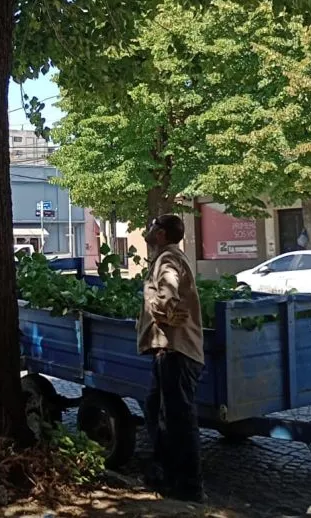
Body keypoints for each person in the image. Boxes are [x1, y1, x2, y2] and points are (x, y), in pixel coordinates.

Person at [138, 215, 206, 503]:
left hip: (175, 351)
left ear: (162, 233)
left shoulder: (167, 260)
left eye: (152, 227)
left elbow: (167, 295)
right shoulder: (170, 256)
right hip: (170, 350)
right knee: (157, 410)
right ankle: (163, 476)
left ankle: (188, 488)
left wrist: (159, 304)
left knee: (177, 420)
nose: (148, 231)